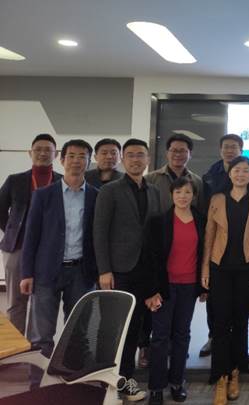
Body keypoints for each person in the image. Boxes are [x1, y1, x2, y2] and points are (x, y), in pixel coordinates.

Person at [20, 139, 97, 389]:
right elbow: (31, 236)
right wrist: (26, 273)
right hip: (46, 272)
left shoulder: (96, 196)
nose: (76, 161)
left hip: (81, 273)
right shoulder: (43, 195)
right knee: (41, 334)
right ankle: (38, 385)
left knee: (78, 332)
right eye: (71, 155)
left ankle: (73, 382)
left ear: (89, 161)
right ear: (62, 160)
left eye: (82, 156)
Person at [93, 138, 161, 402]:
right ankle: (106, 380)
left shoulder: (153, 191)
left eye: (140, 155)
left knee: (134, 328)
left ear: (148, 159)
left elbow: (154, 233)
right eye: (130, 155)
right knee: (112, 327)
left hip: (144, 271)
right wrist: (104, 270)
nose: (135, 159)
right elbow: (99, 232)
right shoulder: (109, 190)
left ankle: (125, 380)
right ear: (123, 159)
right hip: (118, 270)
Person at [201, 156, 249, 404]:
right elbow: (209, 235)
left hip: (248, 268)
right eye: (237, 170)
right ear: (229, 174)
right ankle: (220, 377)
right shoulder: (217, 199)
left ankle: (235, 372)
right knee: (220, 323)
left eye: (246, 170)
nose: (241, 174)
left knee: (240, 322)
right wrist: (205, 268)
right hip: (220, 268)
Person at [139, 133, 203, 369]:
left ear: (190, 154)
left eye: (183, 150)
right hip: (160, 263)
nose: (178, 154)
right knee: (158, 328)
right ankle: (148, 356)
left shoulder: (197, 181)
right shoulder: (152, 179)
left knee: (181, 330)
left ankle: (177, 374)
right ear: (166, 153)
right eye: (174, 150)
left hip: (187, 272)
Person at [143, 177, 206, 405]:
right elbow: (150, 259)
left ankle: (177, 382)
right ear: (171, 195)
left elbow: (204, 255)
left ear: (193, 195)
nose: (182, 196)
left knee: (182, 335)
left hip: (189, 286)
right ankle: (156, 387)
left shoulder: (201, 220)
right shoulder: (159, 221)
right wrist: (151, 291)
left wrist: (203, 286)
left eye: (187, 192)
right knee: (160, 337)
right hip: (164, 288)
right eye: (178, 192)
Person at [0, 133, 61, 336]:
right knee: (16, 302)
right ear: (30, 152)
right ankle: (17, 347)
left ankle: (36, 346)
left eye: (48, 150)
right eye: (38, 149)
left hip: (48, 252)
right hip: (17, 248)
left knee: (42, 302)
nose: (43, 153)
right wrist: (12, 230)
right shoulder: (15, 180)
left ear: (56, 154)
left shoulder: (61, 182)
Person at [199, 133, 243, 358]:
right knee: (215, 298)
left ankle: (237, 340)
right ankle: (213, 337)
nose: (230, 150)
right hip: (217, 244)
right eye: (226, 147)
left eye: (234, 147)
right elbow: (203, 212)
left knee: (239, 300)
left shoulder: (246, 173)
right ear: (220, 150)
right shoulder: (209, 176)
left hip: (242, 246)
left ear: (241, 150)